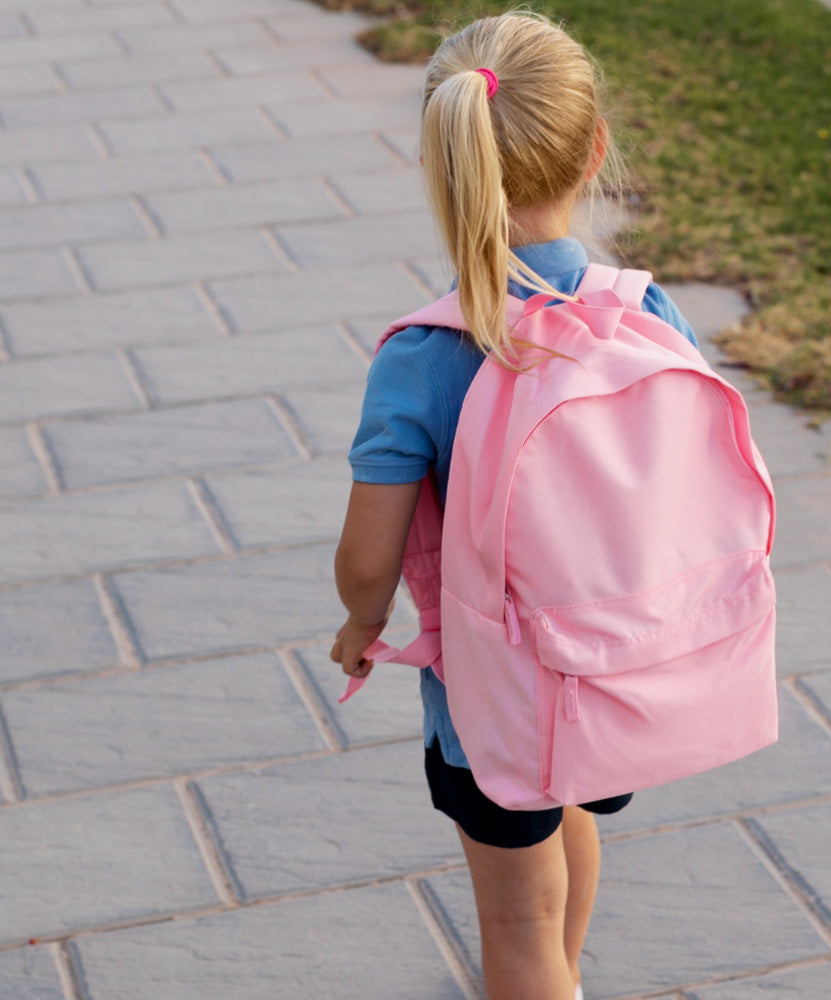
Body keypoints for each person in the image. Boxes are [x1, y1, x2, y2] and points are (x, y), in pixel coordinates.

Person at [330, 13, 698, 1000]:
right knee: (570, 823)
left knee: (514, 919)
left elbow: (369, 554)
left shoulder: (425, 353)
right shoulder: (643, 312)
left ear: (442, 166)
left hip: (489, 701)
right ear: (596, 149)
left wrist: (363, 622)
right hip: (610, 667)